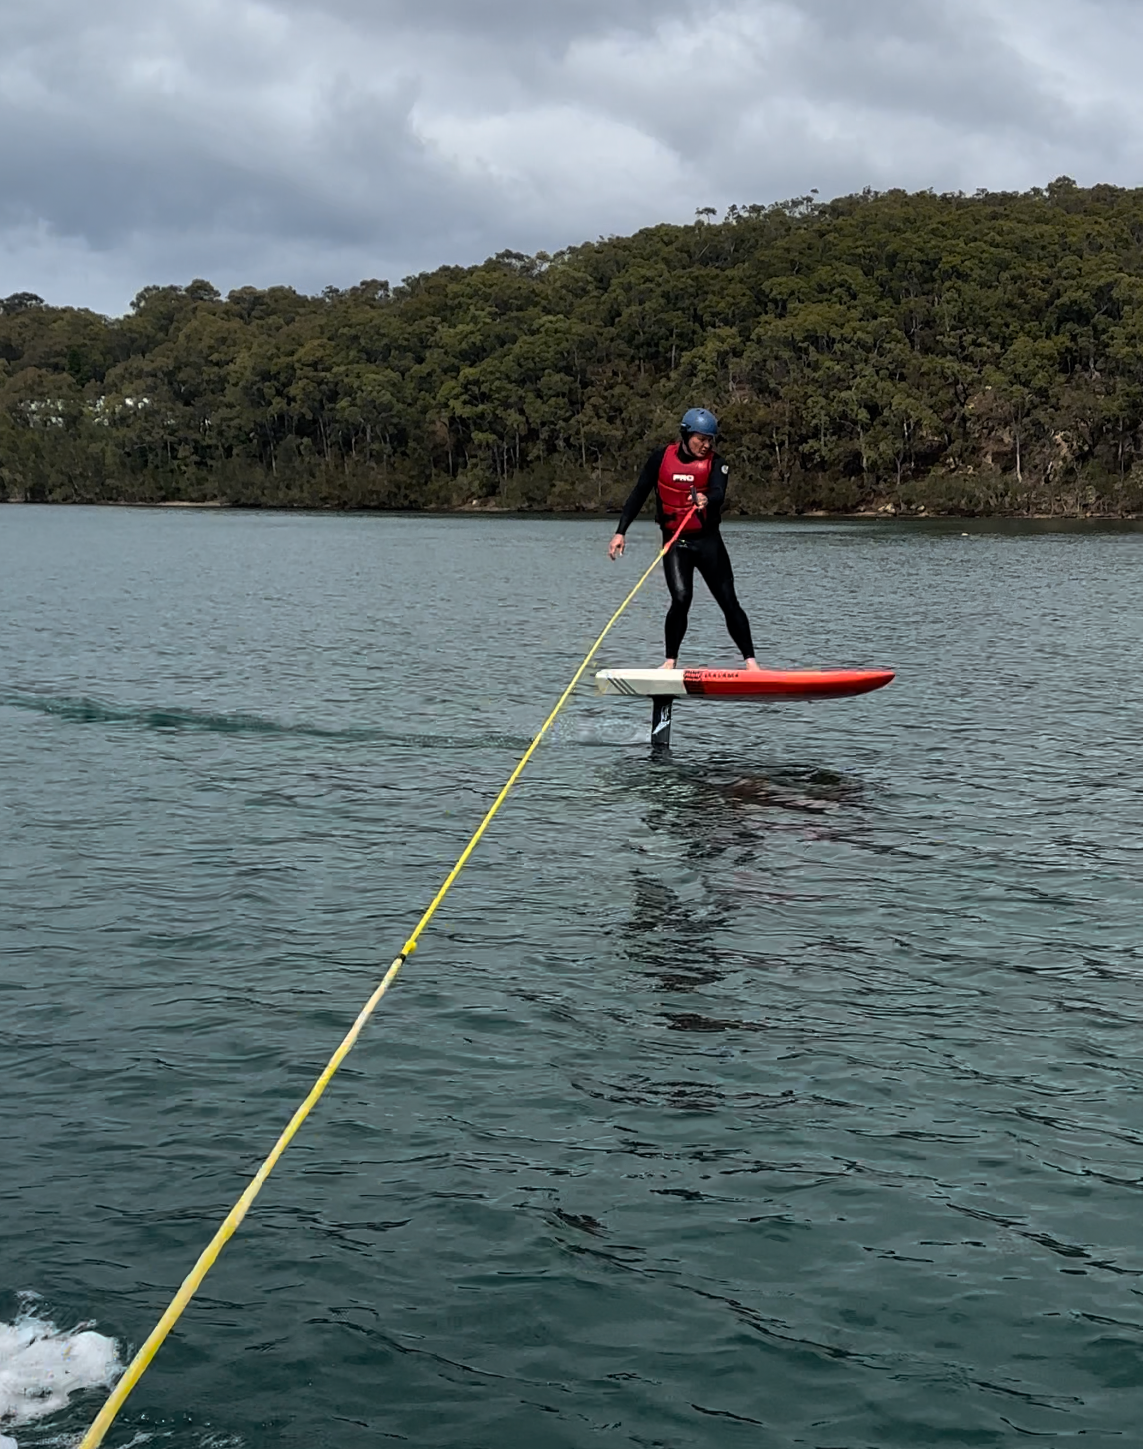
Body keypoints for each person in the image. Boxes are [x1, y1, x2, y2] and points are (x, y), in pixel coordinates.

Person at [608, 408, 761, 670]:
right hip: (676, 542)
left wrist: (705, 499)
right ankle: (670, 662)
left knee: (728, 600)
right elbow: (638, 494)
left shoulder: (718, 463)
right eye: (701, 438)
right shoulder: (660, 458)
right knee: (681, 598)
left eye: (710, 439)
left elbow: (718, 493)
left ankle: (751, 663)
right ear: (686, 434)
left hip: (708, 541)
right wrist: (621, 531)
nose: (706, 444)